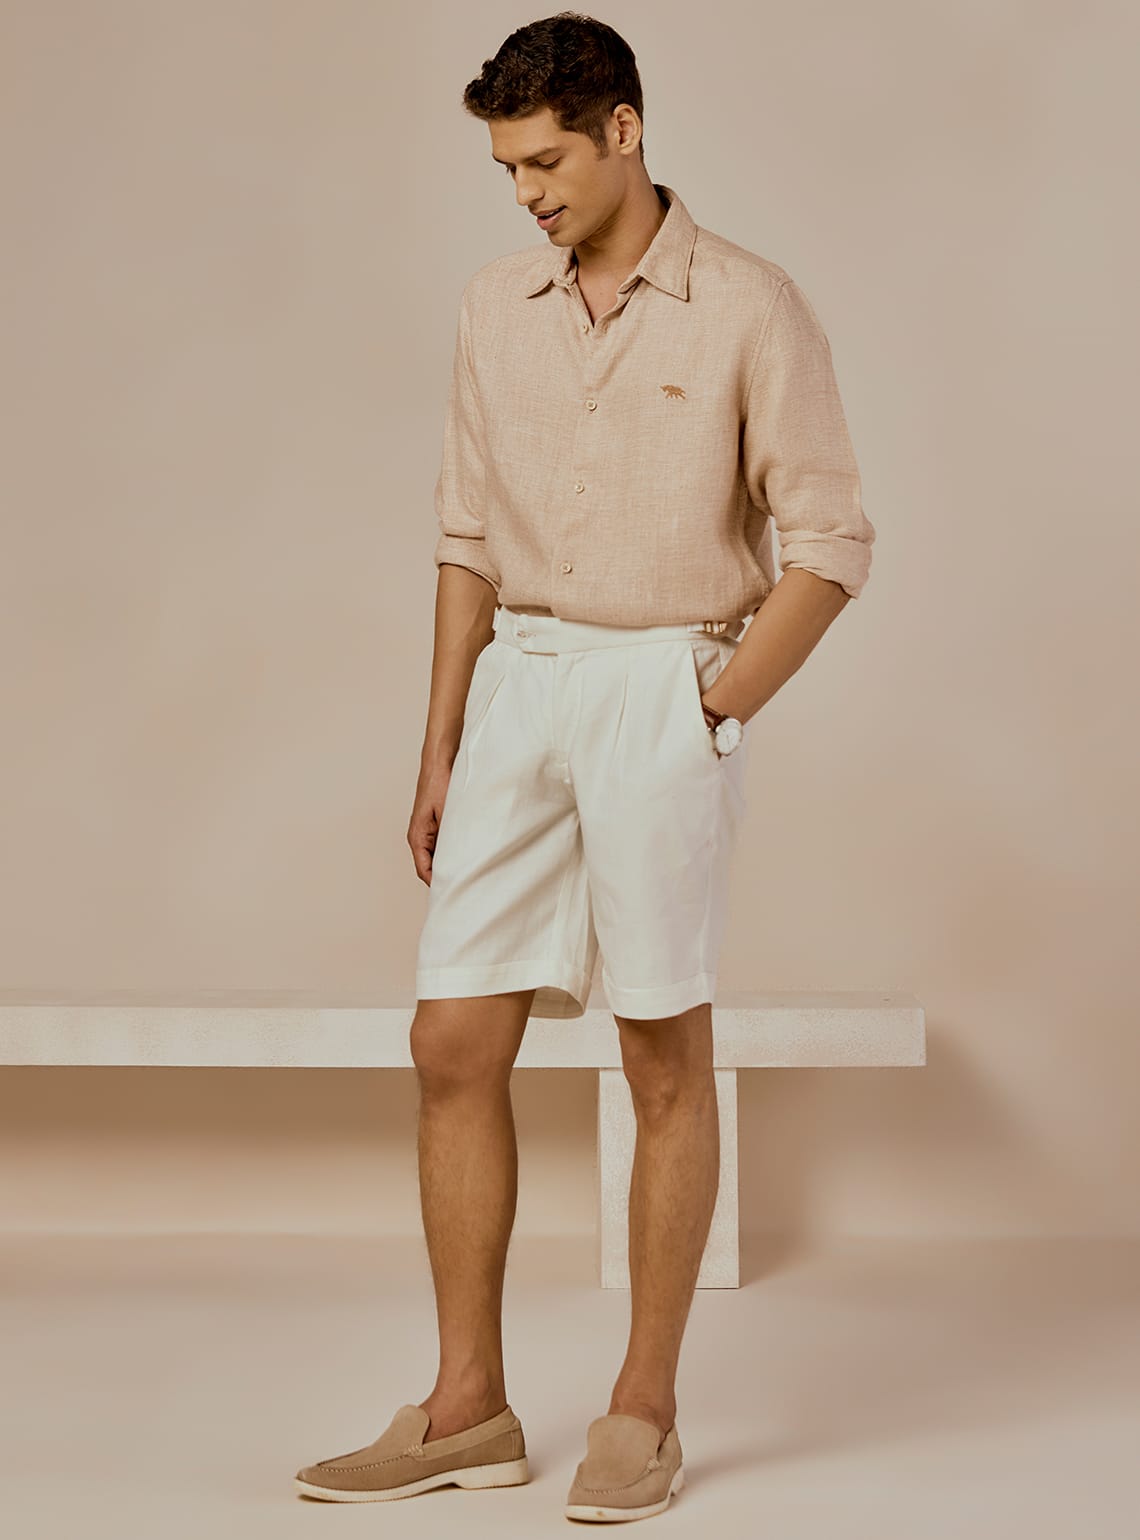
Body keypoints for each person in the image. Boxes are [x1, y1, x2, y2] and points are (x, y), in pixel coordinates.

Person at [294, 12, 875, 1523]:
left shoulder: (750, 304)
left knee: (660, 1053)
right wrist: (439, 742)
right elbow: (465, 536)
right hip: (518, 687)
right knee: (450, 1042)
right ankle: (467, 1406)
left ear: (626, 129)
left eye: (545, 160)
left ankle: (644, 1411)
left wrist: (710, 709)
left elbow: (828, 543)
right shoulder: (497, 306)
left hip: (657, 686)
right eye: (506, 169)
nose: (527, 192)